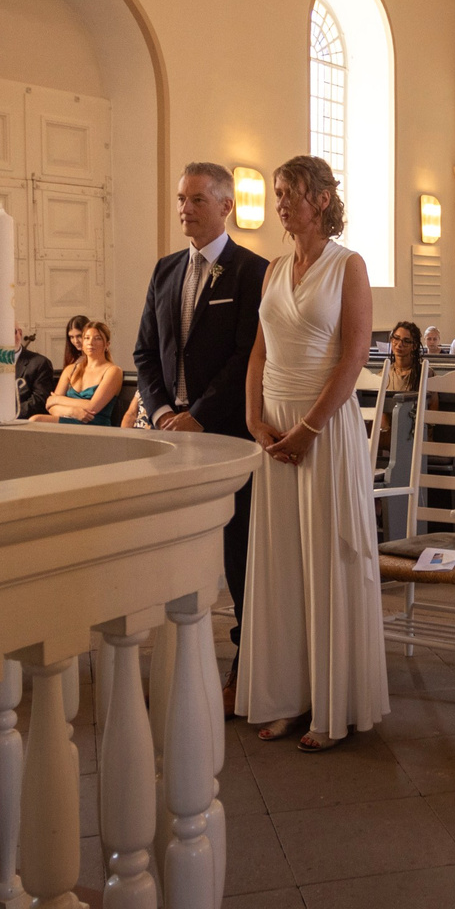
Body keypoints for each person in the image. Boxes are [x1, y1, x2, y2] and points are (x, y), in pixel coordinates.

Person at [238, 155, 390, 750]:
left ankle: (331, 706)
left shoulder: (347, 266)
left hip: (322, 430)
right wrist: (255, 419)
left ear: (321, 198)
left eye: (288, 192)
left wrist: (309, 428)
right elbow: (258, 353)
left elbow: (354, 356)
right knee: (280, 565)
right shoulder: (275, 268)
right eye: (276, 192)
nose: (279, 203)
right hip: (272, 427)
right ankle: (284, 696)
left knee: (325, 560)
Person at [133, 163, 271, 653]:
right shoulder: (165, 269)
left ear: (226, 206)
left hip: (228, 430)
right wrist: (165, 409)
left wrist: (201, 414)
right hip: (170, 431)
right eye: (180, 199)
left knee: (240, 548)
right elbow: (145, 352)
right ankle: (175, 653)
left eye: (195, 200)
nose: (184, 210)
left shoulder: (252, 270)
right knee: (171, 541)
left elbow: (246, 355)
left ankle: (247, 656)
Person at [48, 318, 126, 422]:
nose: (90, 342)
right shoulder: (70, 369)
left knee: (36, 420)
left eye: (97, 338)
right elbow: (50, 407)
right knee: (35, 420)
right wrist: (73, 412)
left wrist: (58, 399)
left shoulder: (113, 371)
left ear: (107, 345)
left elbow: (92, 407)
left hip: (94, 424)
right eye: (87, 338)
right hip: (69, 420)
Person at [9, 324, 60, 419]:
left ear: (19, 333)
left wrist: (8, 414)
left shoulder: (40, 363)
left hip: (24, 423)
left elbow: (40, 401)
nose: (6, 337)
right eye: (0, 333)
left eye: (11, 332)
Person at [384, 320, 426, 392]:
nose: (399, 344)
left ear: (414, 346)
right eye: (396, 338)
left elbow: (433, 402)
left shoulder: (424, 373)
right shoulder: (384, 373)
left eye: (406, 341)